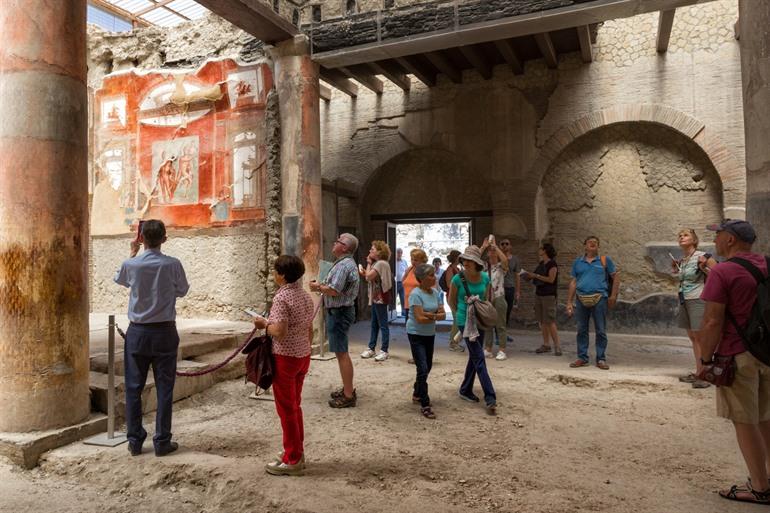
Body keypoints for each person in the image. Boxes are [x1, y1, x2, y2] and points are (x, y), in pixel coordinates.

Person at [698, 219, 770, 505]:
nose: (715, 240)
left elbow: (713, 320)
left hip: (737, 354)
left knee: (744, 420)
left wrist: (705, 359)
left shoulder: (723, 271)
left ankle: (760, 488)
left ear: (730, 239)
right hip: (767, 352)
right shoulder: (768, 264)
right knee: (766, 416)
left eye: (718, 235)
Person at [114, 219, 189, 457]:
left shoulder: (131, 264)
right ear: (164, 239)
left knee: (133, 387)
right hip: (165, 331)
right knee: (165, 387)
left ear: (141, 239)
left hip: (137, 332)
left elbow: (120, 279)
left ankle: (135, 441)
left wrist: (132, 252)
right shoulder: (173, 264)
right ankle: (162, 441)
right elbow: (183, 290)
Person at [252, 255, 314, 477]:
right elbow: (309, 328)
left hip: (285, 357)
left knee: (286, 409)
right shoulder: (305, 296)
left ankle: (293, 459)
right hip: (302, 355)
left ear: (283, 275)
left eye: (276, 271)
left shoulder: (282, 298)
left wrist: (263, 325)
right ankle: (295, 450)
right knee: (294, 406)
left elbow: (279, 331)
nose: (274, 275)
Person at [310, 233, 360, 408]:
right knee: (341, 352)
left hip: (339, 312)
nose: (334, 242)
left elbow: (334, 290)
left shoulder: (343, 266)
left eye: (338, 241)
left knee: (341, 353)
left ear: (345, 247)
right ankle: (348, 388)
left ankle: (348, 395)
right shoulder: (344, 263)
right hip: (340, 311)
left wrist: (317, 286)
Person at [448, 245, 497, 414]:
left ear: (476, 263)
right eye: (464, 260)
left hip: (479, 320)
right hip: (464, 320)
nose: (465, 263)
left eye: (469, 260)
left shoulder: (485, 278)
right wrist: (462, 316)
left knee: (475, 357)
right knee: (479, 357)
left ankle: (465, 389)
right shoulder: (458, 279)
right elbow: (451, 301)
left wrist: (479, 311)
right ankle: (490, 396)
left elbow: (485, 298)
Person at [565, 236, 620, 370]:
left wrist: (613, 296)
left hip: (600, 298)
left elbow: (616, 277)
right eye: (590, 242)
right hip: (581, 298)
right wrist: (569, 302)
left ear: (598, 246)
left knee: (601, 330)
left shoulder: (604, 260)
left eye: (596, 242)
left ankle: (601, 359)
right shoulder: (578, 262)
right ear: (585, 245)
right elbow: (573, 282)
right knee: (581, 330)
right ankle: (582, 358)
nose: (593, 243)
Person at [672, 229, 717, 389]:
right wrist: (677, 270)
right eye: (680, 235)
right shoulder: (684, 260)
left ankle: (707, 374)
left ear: (694, 240)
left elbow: (718, 275)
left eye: (685, 235)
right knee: (693, 337)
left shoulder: (703, 256)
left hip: (698, 298)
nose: (681, 237)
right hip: (685, 299)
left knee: (701, 338)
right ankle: (699, 372)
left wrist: (704, 268)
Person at [407, 264, 446, 419]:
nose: (434, 277)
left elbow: (443, 315)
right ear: (422, 279)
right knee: (422, 368)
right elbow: (419, 318)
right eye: (431, 275)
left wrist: (430, 314)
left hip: (430, 334)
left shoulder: (436, 292)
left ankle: (417, 391)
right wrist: (433, 314)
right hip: (416, 334)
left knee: (427, 366)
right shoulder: (415, 294)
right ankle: (425, 403)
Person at [522, 243, 561, 356]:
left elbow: (551, 279)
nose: (539, 250)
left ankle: (557, 346)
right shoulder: (541, 263)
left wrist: (536, 276)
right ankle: (546, 344)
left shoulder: (552, 264)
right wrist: (526, 275)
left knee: (550, 320)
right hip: (539, 294)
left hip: (549, 295)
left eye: (541, 249)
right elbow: (535, 275)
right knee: (542, 321)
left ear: (545, 251)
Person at [360, 240, 393, 362]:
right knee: (374, 324)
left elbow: (368, 277)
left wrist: (368, 263)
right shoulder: (379, 263)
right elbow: (370, 277)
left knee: (383, 325)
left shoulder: (380, 264)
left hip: (380, 299)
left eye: (372, 249)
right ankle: (371, 347)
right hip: (376, 298)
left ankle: (384, 350)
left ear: (379, 252)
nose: (370, 251)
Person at [480, 237, 509, 360]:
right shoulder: (484, 267)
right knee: (487, 324)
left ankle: (502, 350)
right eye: (490, 251)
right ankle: (488, 349)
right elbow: (473, 259)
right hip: (487, 298)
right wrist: (483, 246)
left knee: (500, 325)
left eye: (494, 252)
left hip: (499, 297)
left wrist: (496, 247)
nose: (492, 253)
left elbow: (505, 260)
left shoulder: (500, 267)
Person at [500, 238, 521, 334]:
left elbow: (517, 275)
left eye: (506, 244)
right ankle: (498, 333)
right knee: (499, 310)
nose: (504, 245)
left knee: (508, 311)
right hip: (499, 288)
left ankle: (503, 332)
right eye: (502, 244)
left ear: (510, 246)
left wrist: (517, 291)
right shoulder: (497, 258)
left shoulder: (515, 259)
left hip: (510, 288)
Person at [402, 248, 428, 322]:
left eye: (416, 260)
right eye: (412, 259)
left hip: (419, 305)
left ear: (422, 260)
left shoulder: (425, 271)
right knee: (409, 329)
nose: (413, 262)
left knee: (419, 329)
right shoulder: (410, 269)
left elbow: (431, 289)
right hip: (408, 304)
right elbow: (403, 281)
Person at [445, 249, 464, 351]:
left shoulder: (457, 268)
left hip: (458, 297)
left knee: (459, 320)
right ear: (456, 258)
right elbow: (449, 284)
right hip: (452, 297)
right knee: (457, 320)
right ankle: (453, 343)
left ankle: (455, 341)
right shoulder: (450, 270)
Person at [395, 248, 408, 317]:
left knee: (403, 298)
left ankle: (404, 312)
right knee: (394, 298)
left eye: (400, 253)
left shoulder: (404, 262)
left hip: (403, 282)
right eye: (398, 252)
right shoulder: (393, 262)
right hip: (395, 283)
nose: (399, 254)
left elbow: (407, 271)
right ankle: (393, 313)